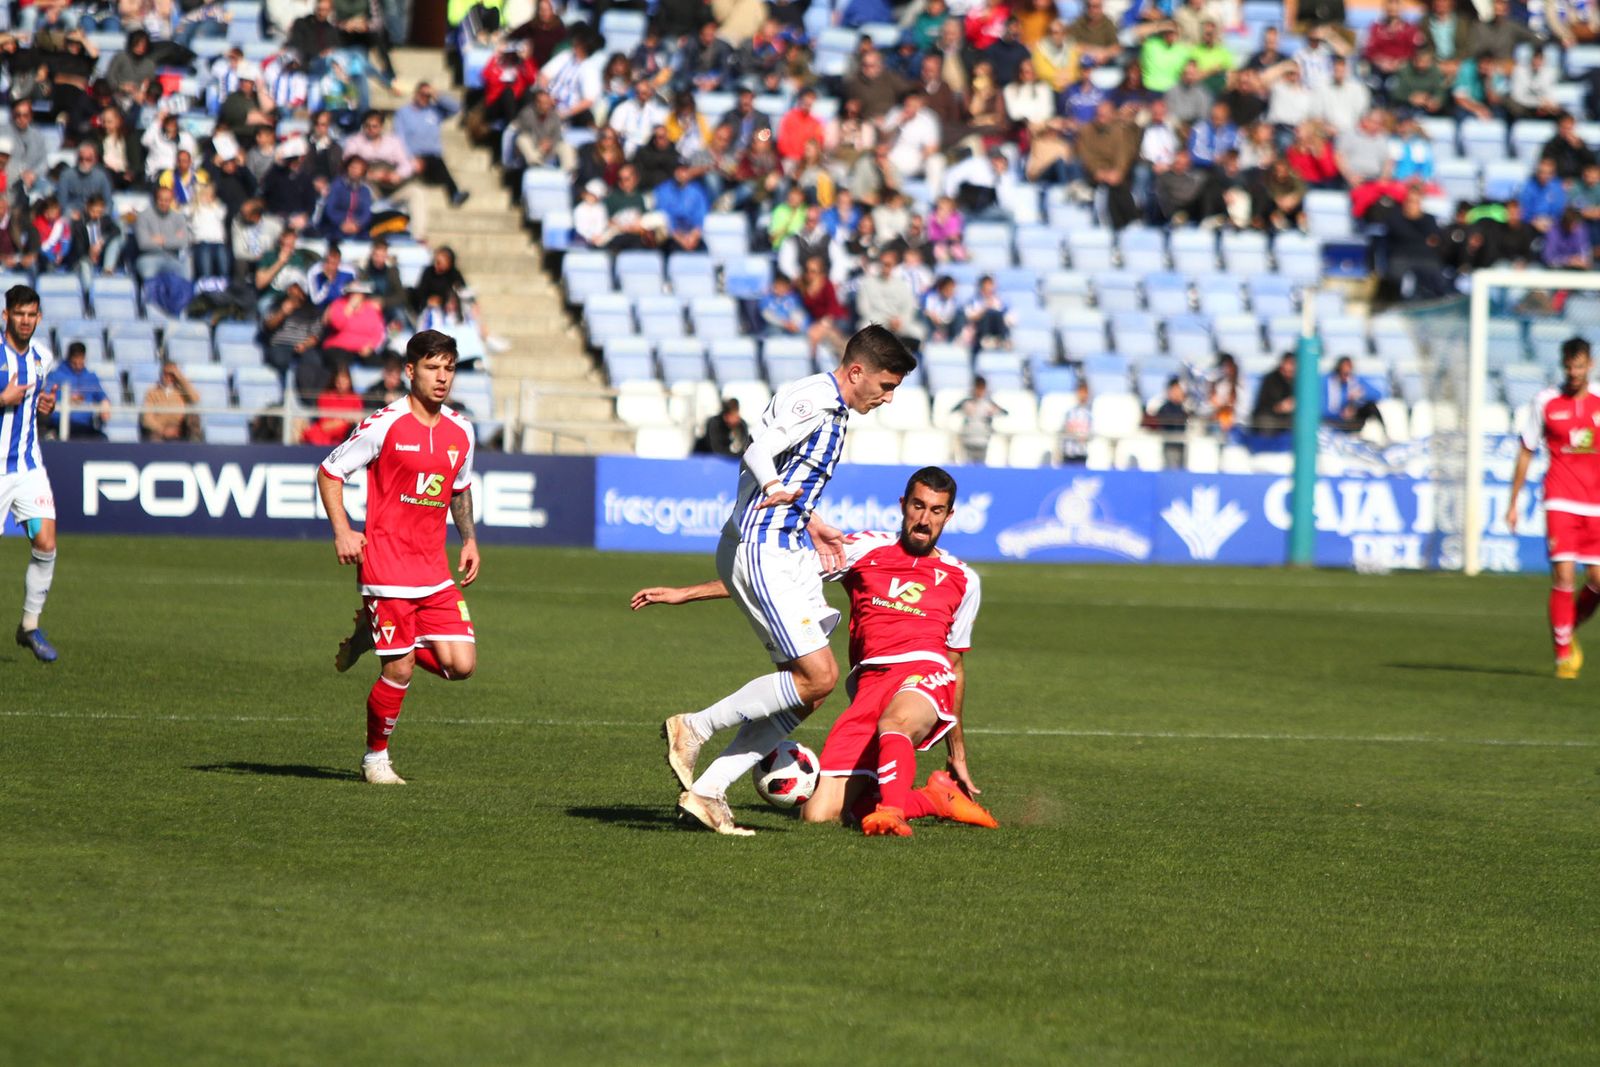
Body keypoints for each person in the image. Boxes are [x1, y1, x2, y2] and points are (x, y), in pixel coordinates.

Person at [633, 467, 997, 837]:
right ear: (903, 505)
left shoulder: (963, 579)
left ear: (949, 515)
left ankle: (892, 812)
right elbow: (777, 581)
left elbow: (954, 663)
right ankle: (935, 798)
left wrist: (958, 754)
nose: (924, 519)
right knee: (819, 814)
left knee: (896, 722)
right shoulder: (865, 549)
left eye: (936, 510)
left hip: (923, 673)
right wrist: (687, 593)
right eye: (918, 506)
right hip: (870, 687)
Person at [657, 325, 917, 834]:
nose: (888, 398)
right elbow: (759, 451)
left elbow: (790, 465)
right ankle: (694, 726)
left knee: (810, 691)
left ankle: (708, 792)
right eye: (885, 386)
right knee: (818, 676)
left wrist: (812, 520)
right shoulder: (818, 401)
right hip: (763, 544)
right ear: (857, 371)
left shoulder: (834, 407)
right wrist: (775, 487)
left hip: (788, 543)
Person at [317, 330, 480, 784]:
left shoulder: (461, 430)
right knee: (401, 666)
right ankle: (375, 759)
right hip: (386, 567)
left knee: (461, 665)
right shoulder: (383, 424)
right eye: (432, 367)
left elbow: (459, 489)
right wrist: (343, 530)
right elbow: (330, 472)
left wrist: (468, 539)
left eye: (448, 367)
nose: (442, 377)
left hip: (433, 569)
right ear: (410, 371)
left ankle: (376, 634)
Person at [1507, 338, 1600, 679]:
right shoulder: (1545, 401)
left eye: (1580, 366)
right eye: (1569, 367)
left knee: (1598, 582)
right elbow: (1526, 449)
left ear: (1589, 365)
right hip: (1559, 498)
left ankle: (1567, 626)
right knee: (1563, 575)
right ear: (1563, 366)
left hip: (1597, 504)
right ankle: (1563, 655)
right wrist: (1513, 502)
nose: (1574, 373)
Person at [0, 286, 61, 661]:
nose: (25, 320)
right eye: (19, 313)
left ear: (38, 318)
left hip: (28, 465)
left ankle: (29, 626)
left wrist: (45, 408)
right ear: (6, 316)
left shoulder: (43, 358)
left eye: (31, 314)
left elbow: (35, 409)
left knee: (46, 543)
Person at [394, 82, 469, 207]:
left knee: (438, 164)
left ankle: (454, 194)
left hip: (433, 155)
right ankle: (453, 193)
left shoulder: (434, 110)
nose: (424, 97)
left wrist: (437, 95)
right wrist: (409, 157)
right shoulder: (403, 113)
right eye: (422, 94)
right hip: (415, 155)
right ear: (416, 94)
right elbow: (399, 137)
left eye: (427, 95)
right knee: (437, 167)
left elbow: (456, 108)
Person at [43, 341, 109, 440]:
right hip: (60, 426)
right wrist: (67, 399)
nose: (78, 364)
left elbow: (101, 395)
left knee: (103, 439)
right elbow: (46, 398)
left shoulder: (90, 377)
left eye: (81, 359)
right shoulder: (55, 376)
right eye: (75, 360)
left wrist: (105, 402)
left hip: (85, 427)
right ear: (69, 357)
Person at [301, 363, 364, 446]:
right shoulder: (325, 397)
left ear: (349, 381)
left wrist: (339, 422)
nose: (341, 385)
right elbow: (325, 426)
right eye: (339, 382)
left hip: (347, 439)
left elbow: (359, 422)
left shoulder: (355, 398)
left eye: (345, 381)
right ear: (334, 381)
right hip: (325, 438)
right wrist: (346, 420)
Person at [952, 375, 1008, 464]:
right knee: (967, 464)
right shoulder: (966, 403)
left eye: (982, 389)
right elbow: (952, 412)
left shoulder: (989, 404)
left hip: (983, 439)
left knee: (981, 463)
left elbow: (1005, 413)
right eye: (978, 388)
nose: (979, 391)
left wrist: (992, 412)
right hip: (968, 439)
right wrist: (965, 411)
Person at [142, 361, 199, 442]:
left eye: (172, 375)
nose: (169, 377)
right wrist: (163, 430)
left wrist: (180, 377)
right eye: (166, 374)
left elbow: (195, 399)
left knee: (194, 416)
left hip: (180, 429)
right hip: (159, 430)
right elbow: (147, 419)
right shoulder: (152, 392)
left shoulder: (182, 391)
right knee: (154, 439)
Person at [1251, 351, 1295, 434]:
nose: (1290, 367)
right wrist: (1279, 407)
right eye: (1289, 363)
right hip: (1269, 416)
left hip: (1289, 418)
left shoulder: (1299, 381)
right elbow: (1263, 403)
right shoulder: (1270, 379)